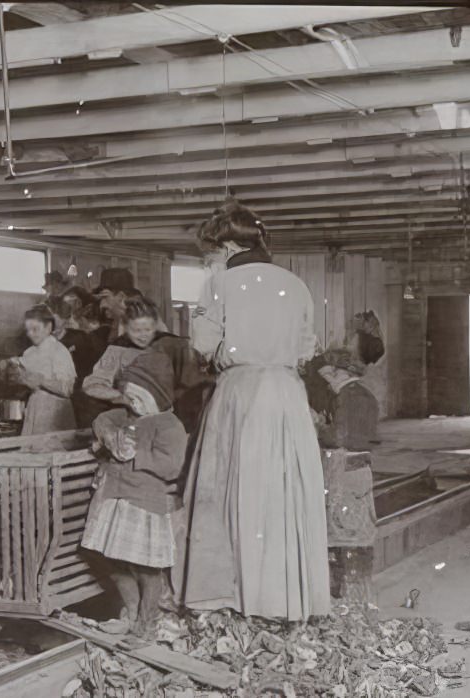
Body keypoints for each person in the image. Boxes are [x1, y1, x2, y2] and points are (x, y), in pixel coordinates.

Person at [175, 200, 330, 622]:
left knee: (229, 488)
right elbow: (305, 349)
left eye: (211, 253)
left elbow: (203, 346)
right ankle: (280, 599)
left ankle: (228, 596)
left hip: (240, 391)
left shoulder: (220, 282)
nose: (211, 261)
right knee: (280, 492)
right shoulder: (295, 284)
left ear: (225, 246)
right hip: (285, 393)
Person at [81, 352, 188, 638]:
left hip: (144, 506)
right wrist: (109, 437)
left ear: (161, 397)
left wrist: (136, 453)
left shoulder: (170, 426)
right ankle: (131, 610)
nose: (133, 404)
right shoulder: (127, 414)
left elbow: (171, 466)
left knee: (147, 569)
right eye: (130, 397)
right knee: (110, 560)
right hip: (117, 501)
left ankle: (146, 622)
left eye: (140, 398)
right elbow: (102, 418)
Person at [82, 297, 207, 433]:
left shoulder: (175, 346)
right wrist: (121, 397)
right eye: (136, 330)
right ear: (125, 326)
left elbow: (191, 390)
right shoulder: (118, 349)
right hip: (131, 422)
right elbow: (92, 385)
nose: (143, 336)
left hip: (171, 422)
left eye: (147, 330)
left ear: (155, 325)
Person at [3, 305, 76, 436]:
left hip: (55, 411)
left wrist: (42, 380)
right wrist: (16, 374)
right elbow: (22, 383)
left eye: (35, 329)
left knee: (51, 451)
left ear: (48, 327)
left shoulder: (59, 351)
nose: (30, 334)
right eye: (28, 330)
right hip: (35, 407)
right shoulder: (29, 352)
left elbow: (67, 389)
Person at [314, 347, 379, 452]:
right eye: (325, 376)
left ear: (349, 372)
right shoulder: (361, 392)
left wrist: (317, 425)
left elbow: (338, 438)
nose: (328, 379)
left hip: (348, 457)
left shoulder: (349, 396)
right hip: (360, 454)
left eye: (332, 373)